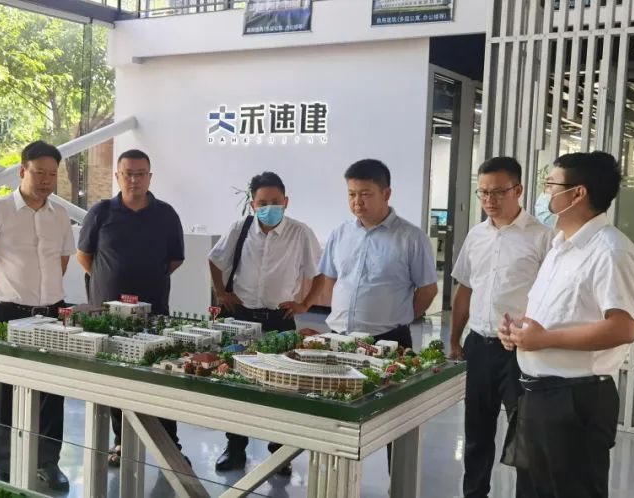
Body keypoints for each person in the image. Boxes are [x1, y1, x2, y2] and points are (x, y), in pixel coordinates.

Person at [498, 151, 634, 498]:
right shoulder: (560, 247)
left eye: (551, 185)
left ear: (577, 193)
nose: (544, 194)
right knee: (534, 490)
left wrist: (545, 339)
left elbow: (623, 328)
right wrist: (520, 332)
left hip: (576, 399)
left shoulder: (610, 251)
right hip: (538, 394)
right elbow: (559, 314)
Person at [0, 141, 73, 490]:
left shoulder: (60, 214)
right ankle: (3, 463)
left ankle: (48, 461)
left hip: (53, 312)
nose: (45, 180)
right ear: (22, 171)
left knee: (52, 390)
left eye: (52, 175)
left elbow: (62, 261)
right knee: (5, 392)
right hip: (9, 312)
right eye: (39, 172)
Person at [76, 148, 186, 466]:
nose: (134, 180)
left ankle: (170, 445)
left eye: (140, 174)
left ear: (150, 177)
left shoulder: (166, 214)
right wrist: (109, 280)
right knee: (116, 378)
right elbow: (85, 256)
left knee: (161, 375)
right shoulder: (100, 212)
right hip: (109, 316)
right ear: (117, 176)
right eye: (128, 173)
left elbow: (175, 259)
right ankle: (121, 441)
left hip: (154, 314)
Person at [449, 157, 551, 498]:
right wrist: (454, 339)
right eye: (482, 193)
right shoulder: (476, 235)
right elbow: (465, 288)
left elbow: (550, 298)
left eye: (497, 192)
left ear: (518, 190)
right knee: (476, 432)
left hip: (519, 352)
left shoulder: (541, 237)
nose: (489, 200)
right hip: (479, 345)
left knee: (524, 435)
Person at [207, 171, 321, 476]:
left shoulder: (300, 233)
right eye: (262, 202)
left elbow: (321, 272)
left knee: (281, 386)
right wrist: (221, 292)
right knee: (237, 382)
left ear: (286, 202)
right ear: (253, 205)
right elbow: (215, 259)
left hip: (279, 319)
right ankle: (235, 447)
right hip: (242, 317)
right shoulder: (241, 228)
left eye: (275, 201)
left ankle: (279, 453)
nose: (269, 207)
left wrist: (305, 304)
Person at [295, 158, 438, 348]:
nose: (357, 201)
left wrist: (400, 318)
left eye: (365, 194)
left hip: (388, 339)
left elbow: (428, 289)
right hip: (339, 336)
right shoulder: (340, 233)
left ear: (386, 194)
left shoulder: (411, 237)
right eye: (351, 194)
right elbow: (330, 278)